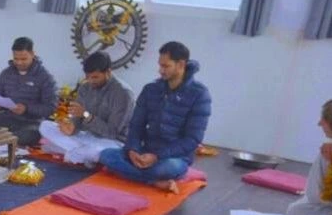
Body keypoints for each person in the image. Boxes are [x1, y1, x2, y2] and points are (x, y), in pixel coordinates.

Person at [98, 41, 211, 192]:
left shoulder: (199, 94)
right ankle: (155, 182)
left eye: (166, 66)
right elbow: (136, 125)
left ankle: (148, 178)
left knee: (166, 168)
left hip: (173, 158)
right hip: (145, 151)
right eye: (160, 65)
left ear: (181, 64)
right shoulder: (151, 89)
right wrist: (133, 149)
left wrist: (157, 156)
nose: (160, 71)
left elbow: (193, 140)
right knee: (105, 155)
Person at [38, 51, 134, 165]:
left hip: (113, 142)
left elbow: (112, 132)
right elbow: (77, 117)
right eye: (87, 77)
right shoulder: (85, 88)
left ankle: (74, 152)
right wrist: (71, 127)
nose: (90, 81)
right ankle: (79, 154)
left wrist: (86, 115)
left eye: (95, 77)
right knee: (45, 126)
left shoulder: (123, 93)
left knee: (90, 151)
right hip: (87, 137)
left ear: (108, 72)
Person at [0, 37, 57, 147]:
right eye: (16, 59)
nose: (19, 63)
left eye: (24, 59)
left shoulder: (45, 78)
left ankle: (1, 144)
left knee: (16, 137)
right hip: (6, 120)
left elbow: (50, 108)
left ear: (33, 54)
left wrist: (26, 109)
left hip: (31, 125)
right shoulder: (6, 74)